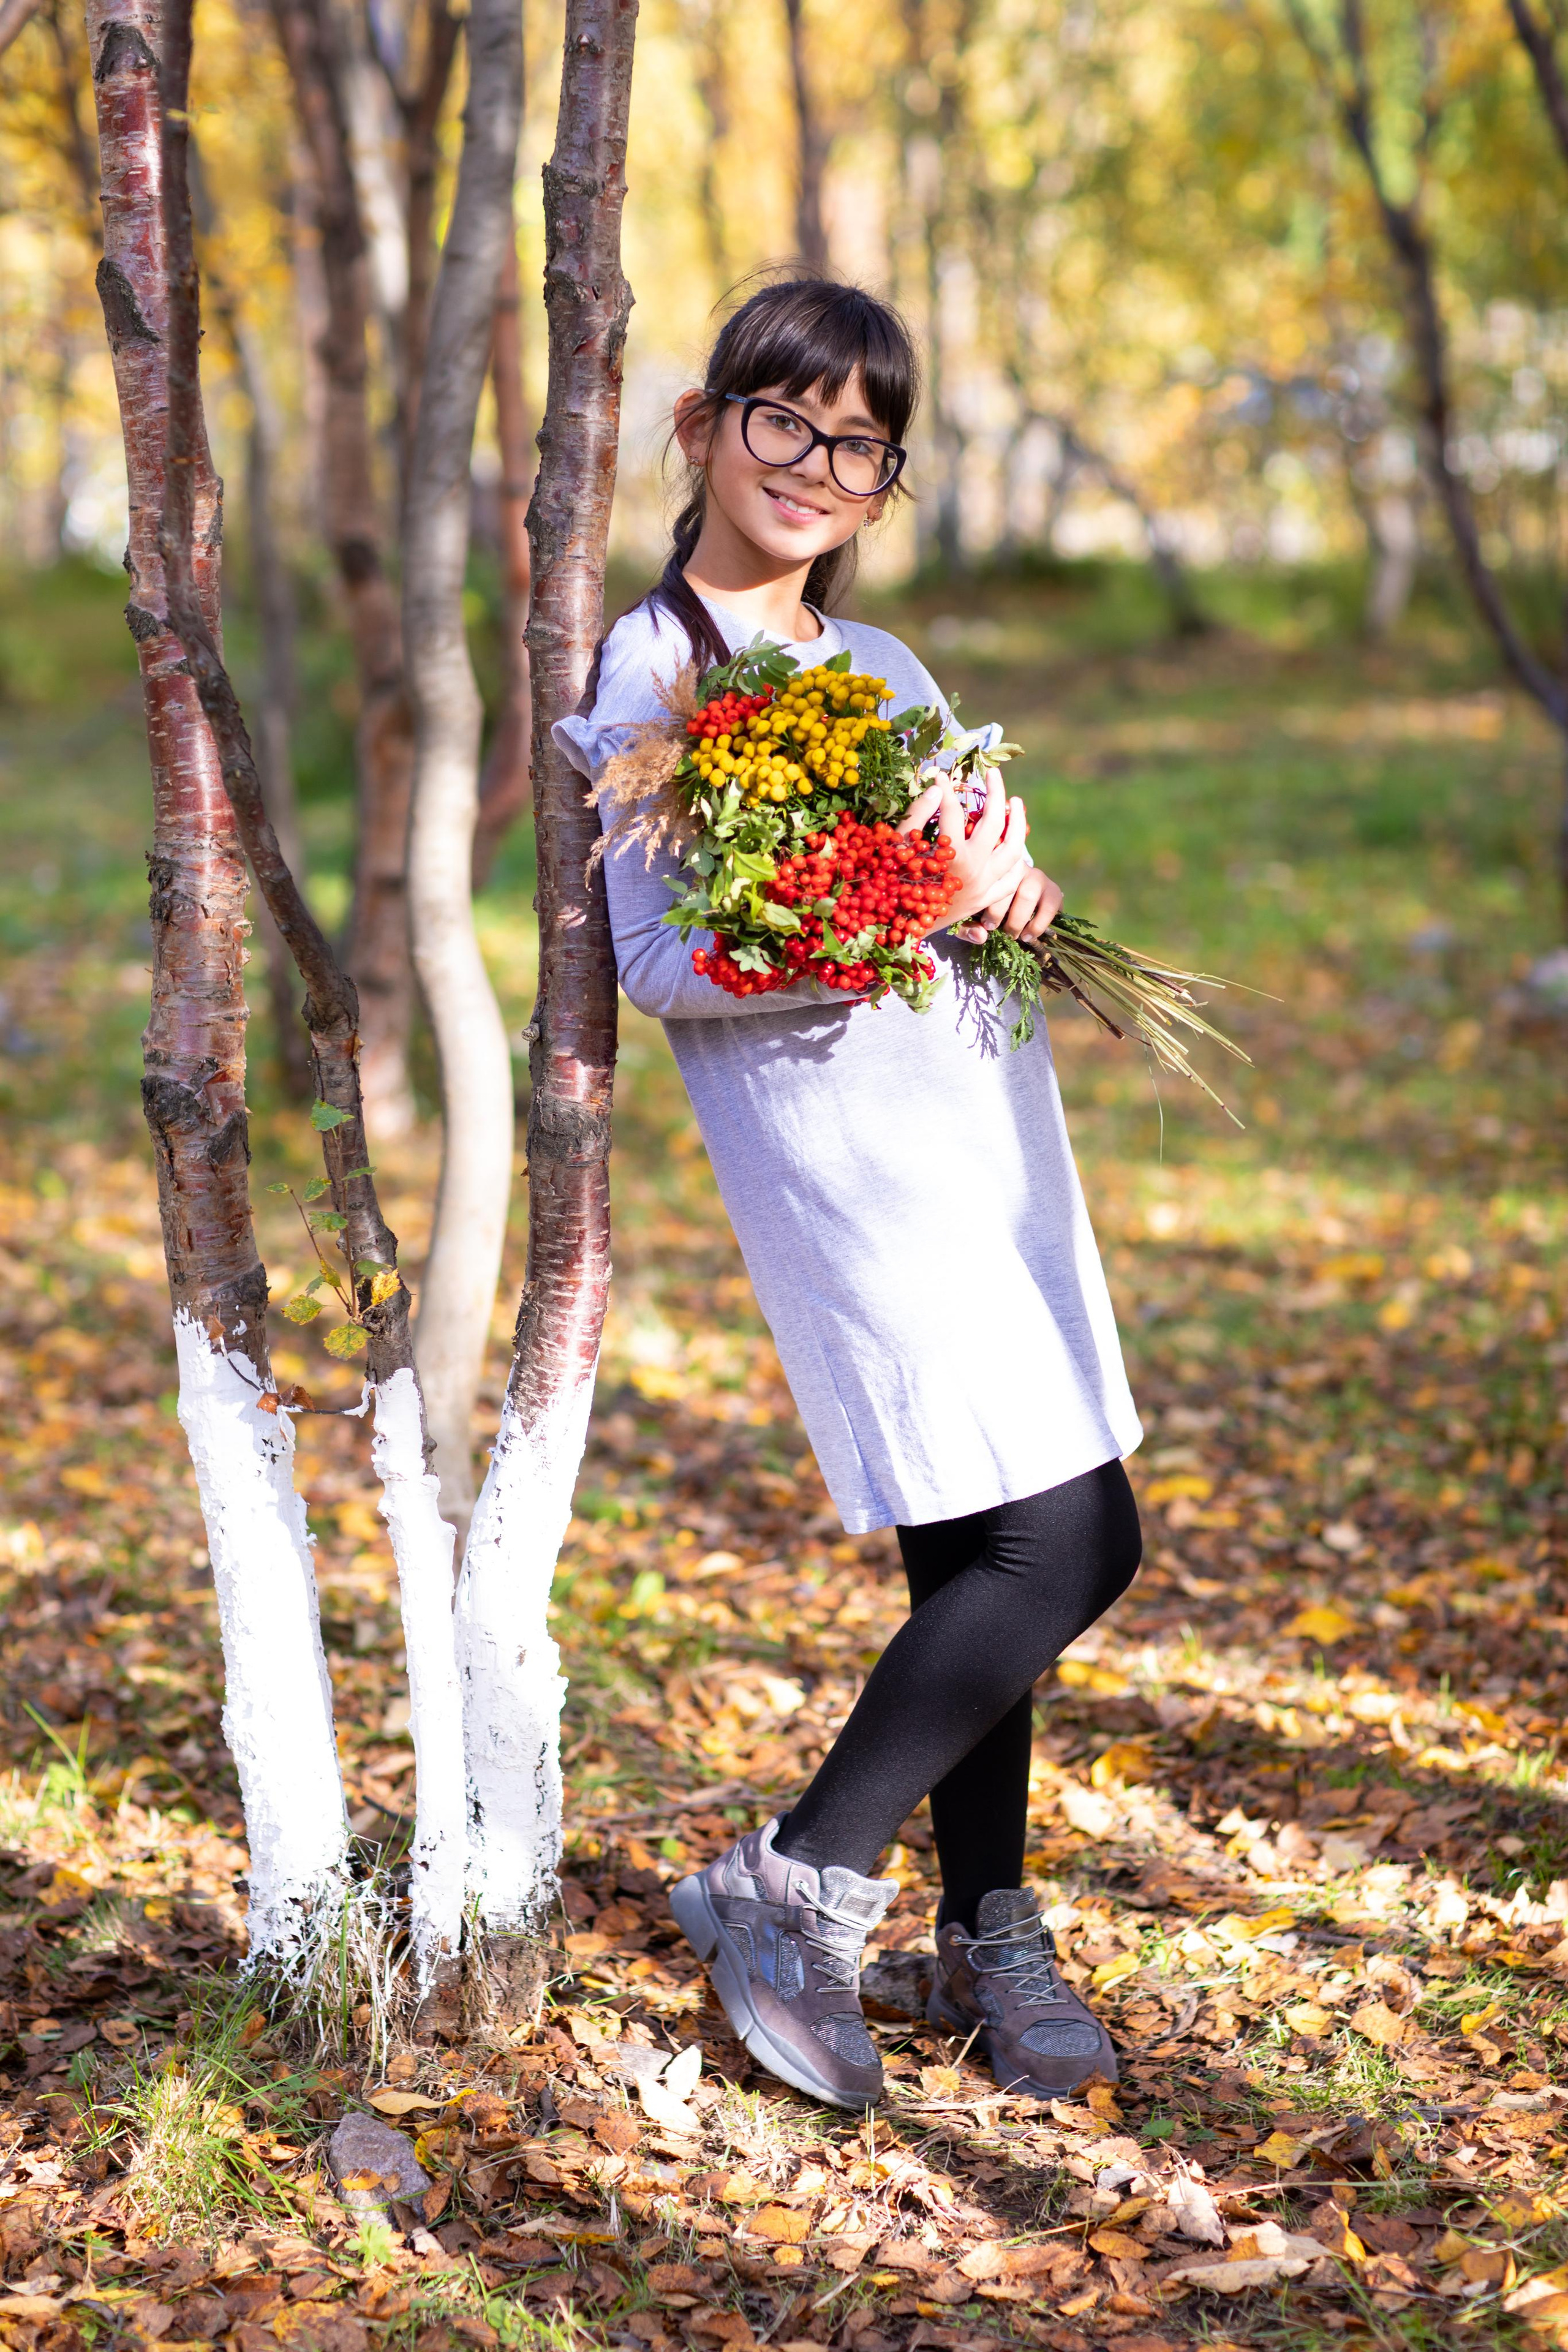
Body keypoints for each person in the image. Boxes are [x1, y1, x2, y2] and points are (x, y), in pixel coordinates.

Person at [555, 276, 1142, 2113]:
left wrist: (1008, 888)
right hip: (847, 1166)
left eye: (857, 443)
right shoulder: (653, 673)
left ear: (885, 480)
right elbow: (660, 964)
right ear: (705, 425)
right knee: (1078, 1539)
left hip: (980, 1126)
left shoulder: (882, 671)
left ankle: (988, 1921)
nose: (815, 465)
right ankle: (799, 1876)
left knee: (984, 1541)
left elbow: (966, 859)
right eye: (784, 421)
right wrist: (904, 914)